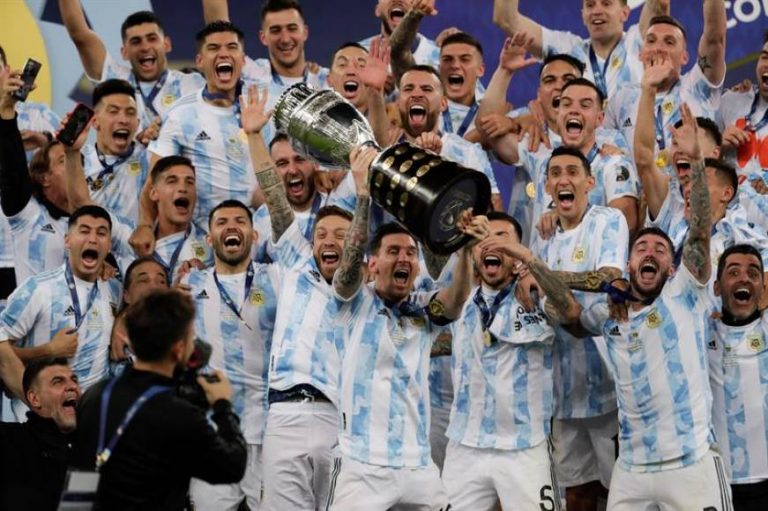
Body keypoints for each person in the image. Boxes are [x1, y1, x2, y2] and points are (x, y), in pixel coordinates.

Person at [552, 103, 732, 509]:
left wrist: (697, 163)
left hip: (691, 463)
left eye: (660, 249)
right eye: (641, 248)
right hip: (632, 469)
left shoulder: (684, 293)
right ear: (628, 264)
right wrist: (532, 264)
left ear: (672, 267)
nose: (649, 252)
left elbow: (700, 230)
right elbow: (574, 321)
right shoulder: (610, 314)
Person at [326, 146, 488, 508]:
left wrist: (464, 248)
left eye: (410, 253)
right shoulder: (354, 301)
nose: (404, 258)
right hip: (362, 464)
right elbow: (348, 269)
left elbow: (456, 300)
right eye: (393, 252)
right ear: (373, 264)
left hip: (417, 464)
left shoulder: (421, 308)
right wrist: (363, 197)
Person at [241, 79, 352, 511]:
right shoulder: (296, 258)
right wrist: (254, 136)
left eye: (339, 235)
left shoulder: (361, 283)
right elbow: (274, 196)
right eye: (321, 233)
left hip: (339, 415)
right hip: (284, 414)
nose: (328, 240)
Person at [72, 288, 247, 510]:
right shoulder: (179, 414)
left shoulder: (95, 395)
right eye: (191, 338)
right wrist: (223, 406)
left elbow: (79, 477)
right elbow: (232, 466)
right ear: (179, 349)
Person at [526, 146, 629, 510]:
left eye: (572, 172)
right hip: (562, 394)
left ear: (589, 182)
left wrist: (543, 274)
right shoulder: (543, 235)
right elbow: (536, 298)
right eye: (555, 173)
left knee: (621, 495)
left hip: (609, 388)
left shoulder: (608, 220)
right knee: (575, 493)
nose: (563, 179)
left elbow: (609, 279)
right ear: (547, 186)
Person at [440, 212, 558, 510]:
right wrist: (463, 243)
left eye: (501, 238)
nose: (491, 244)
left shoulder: (537, 293)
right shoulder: (460, 298)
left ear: (517, 251)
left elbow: (570, 312)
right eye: (484, 238)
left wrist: (531, 265)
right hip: (465, 444)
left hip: (524, 445)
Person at [183, 199, 279, 510]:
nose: (231, 226)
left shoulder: (277, 278)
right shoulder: (189, 283)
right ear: (209, 239)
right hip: (214, 431)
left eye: (240, 220)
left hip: (268, 431)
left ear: (254, 235)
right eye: (222, 222)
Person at [0, 205, 122, 419]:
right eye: (84, 231)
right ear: (67, 240)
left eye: (101, 233)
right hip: (41, 420)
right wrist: (48, 350)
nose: (93, 239)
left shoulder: (114, 290)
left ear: (109, 246)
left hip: (91, 418)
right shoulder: (37, 289)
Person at [145, 20, 258, 231]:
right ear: (200, 61)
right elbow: (153, 182)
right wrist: (145, 226)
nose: (223, 54)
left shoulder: (264, 104)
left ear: (243, 60)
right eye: (213, 48)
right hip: (203, 236)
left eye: (231, 47)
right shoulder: (180, 114)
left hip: (259, 233)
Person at [605, 6, 727, 158]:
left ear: (684, 57)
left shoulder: (698, 86)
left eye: (669, 42)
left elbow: (715, 38)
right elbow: (603, 146)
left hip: (697, 173)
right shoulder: (621, 101)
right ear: (641, 54)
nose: (658, 48)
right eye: (651, 41)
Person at [58, 3, 205, 127]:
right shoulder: (115, 81)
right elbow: (80, 35)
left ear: (166, 44)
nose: (145, 47)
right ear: (125, 52)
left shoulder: (192, 84)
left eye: (152, 39)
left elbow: (216, 31)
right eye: (136, 41)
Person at [492, 0, 669, 99]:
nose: (597, 10)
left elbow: (659, 5)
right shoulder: (567, 49)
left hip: (634, 151)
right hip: (577, 152)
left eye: (606, 3)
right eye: (590, 5)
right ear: (583, 15)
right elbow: (506, 19)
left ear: (625, 12)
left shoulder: (640, 40)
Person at [710, 244, 768, 511]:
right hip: (717, 481)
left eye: (753, 273)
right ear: (717, 287)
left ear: (762, 289)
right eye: (733, 272)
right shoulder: (700, 331)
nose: (744, 278)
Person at [0, 73, 71, 285]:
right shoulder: (28, 213)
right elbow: (12, 172)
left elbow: (70, 148)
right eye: (63, 161)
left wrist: (44, 140)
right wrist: (7, 114)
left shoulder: (38, 113)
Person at [0, 358, 80, 511]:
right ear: (35, 399)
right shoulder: (9, 441)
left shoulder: (95, 447)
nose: (72, 386)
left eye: (74, 380)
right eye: (58, 382)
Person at [80, 79, 149, 223]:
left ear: (137, 123)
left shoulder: (149, 158)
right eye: (113, 111)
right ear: (94, 121)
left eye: (130, 113)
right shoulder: (79, 162)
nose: (123, 120)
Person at [718, 34, 768, 183]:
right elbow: (699, 164)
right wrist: (718, 147)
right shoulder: (730, 100)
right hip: (724, 197)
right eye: (765, 57)